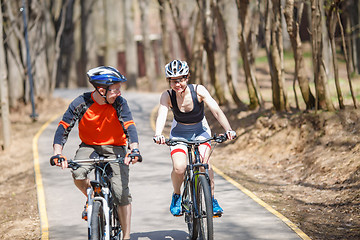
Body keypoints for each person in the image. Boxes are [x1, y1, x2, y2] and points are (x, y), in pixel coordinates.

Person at [50, 66, 140, 240]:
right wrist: (57, 153)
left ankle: (126, 236)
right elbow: (64, 127)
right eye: (115, 89)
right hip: (89, 147)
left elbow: (129, 126)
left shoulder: (120, 103)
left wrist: (134, 149)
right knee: (77, 173)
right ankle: (91, 194)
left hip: (116, 148)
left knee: (121, 193)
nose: (119, 93)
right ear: (101, 90)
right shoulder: (81, 103)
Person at [153, 59, 236, 217]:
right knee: (179, 168)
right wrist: (158, 134)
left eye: (181, 79)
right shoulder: (167, 95)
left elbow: (216, 111)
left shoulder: (199, 90)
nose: (178, 84)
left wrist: (228, 130)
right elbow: (162, 114)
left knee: (205, 164)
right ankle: (177, 196)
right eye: (173, 81)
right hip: (179, 133)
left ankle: (211, 200)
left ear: (187, 77)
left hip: (200, 131)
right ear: (169, 81)